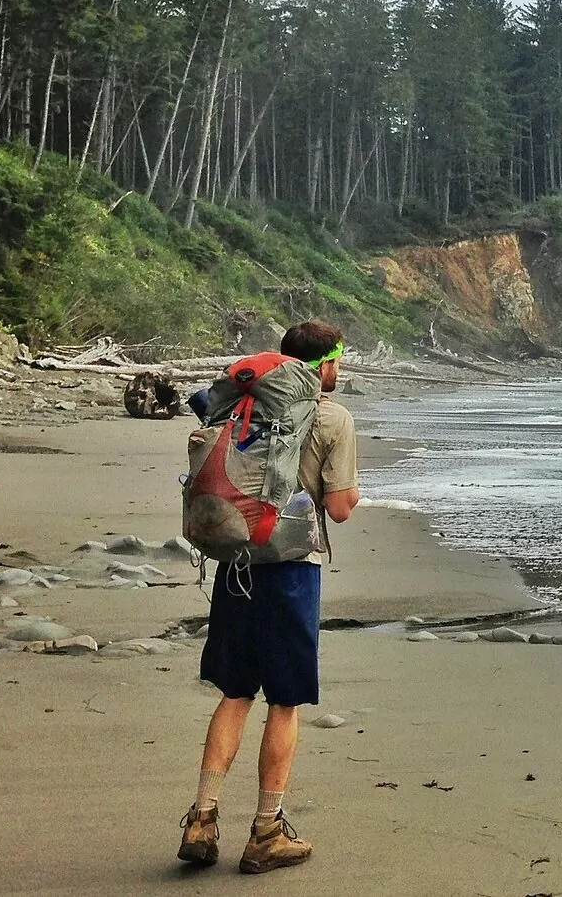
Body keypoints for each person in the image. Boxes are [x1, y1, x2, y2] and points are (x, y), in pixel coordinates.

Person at [177, 319, 361, 873]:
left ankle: (202, 821)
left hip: (234, 562)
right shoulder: (332, 417)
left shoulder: (242, 407)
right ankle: (265, 832)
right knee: (284, 703)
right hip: (288, 573)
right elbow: (341, 507)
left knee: (234, 695)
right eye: (338, 360)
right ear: (325, 363)